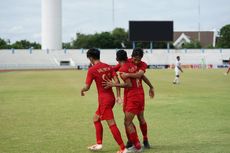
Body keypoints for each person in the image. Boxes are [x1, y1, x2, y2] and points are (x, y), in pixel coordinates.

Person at [106, 49, 154, 150]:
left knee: (130, 120)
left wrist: (116, 82)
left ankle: (140, 142)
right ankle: (132, 141)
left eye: (139, 59)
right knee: (131, 119)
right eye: (135, 59)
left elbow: (139, 76)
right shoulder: (129, 63)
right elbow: (113, 69)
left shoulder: (141, 64)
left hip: (134, 96)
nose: (136, 61)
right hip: (135, 95)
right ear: (131, 57)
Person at [81, 48, 127, 153]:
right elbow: (117, 80)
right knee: (96, 119)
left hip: (104, 100)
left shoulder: (92, 70)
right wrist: (118, 96)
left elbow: (87, 87)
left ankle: (123, 148)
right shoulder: (108, 66)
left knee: (111, 123)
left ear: (91, 58)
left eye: (89, 59)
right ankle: (99, 144)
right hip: (110, 98)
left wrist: (81, 90)